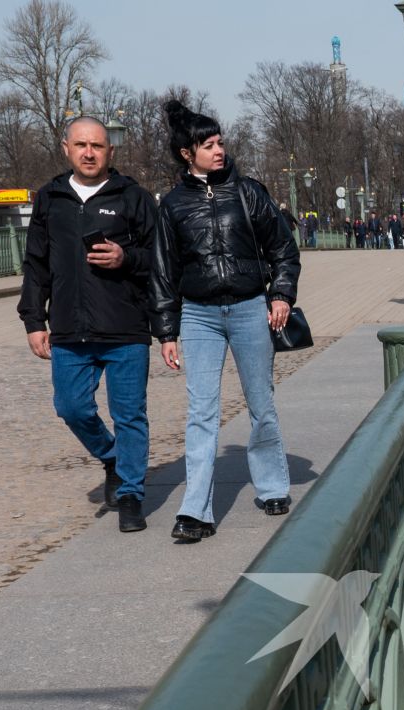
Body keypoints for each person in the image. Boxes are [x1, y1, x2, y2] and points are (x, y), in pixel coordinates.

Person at [150, 100, 301, 543]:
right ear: (186, 153)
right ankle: (196, 511)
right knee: (201, 413)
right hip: (198, 316)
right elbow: (162, 271)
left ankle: (273, 486)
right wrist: (166, 331)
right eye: (208, 144)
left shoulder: (248, 192)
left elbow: (283, 250)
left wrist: (281, 294)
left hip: (251, 307)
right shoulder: (173, 205)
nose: (219, 150)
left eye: (220, 142)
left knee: (261, 403)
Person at [17, 115, 169, 534]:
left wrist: (126, 258)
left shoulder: (134, 197)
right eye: (81, 145)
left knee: (130, 415)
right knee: (70, 406)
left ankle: (132, 495)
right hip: (69, 327)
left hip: (125, 326)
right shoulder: (50, 198)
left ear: (110, 152)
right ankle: (112, 458)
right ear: (66, 148)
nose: (89, 152)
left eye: (97, 146)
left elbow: (160, 260)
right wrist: (34, 318)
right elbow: (36, 263)